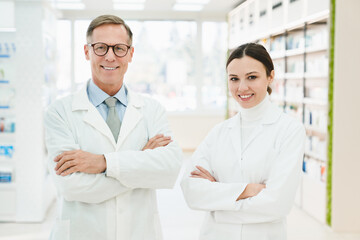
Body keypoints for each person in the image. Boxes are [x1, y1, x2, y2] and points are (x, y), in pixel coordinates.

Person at [44, 15, 182, 240]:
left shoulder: (151, 109)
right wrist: (141, 163)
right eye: (100, 47)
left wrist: (103, 162)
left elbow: (169, 170)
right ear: (87, 52)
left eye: (119, 48)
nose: (110, 56)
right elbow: (72, 186)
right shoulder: (59, 112)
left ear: (130, 53)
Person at [181, 43, 306, 240]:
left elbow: (277, 204)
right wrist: (247, 190)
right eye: (234, 79)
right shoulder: (219, 132)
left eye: (252, 77)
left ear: (270, 77)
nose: (242, 87)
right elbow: (191, 191)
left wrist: (217, 203)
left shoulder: (289, 131)